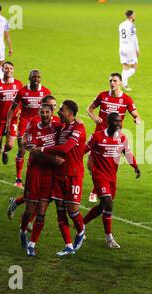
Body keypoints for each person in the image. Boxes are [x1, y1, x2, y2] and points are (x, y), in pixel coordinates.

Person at [33, 100, 86, 257]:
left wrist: (42, 149)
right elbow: (47, 122)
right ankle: (68, 246)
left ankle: (81, 230)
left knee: (72, 211)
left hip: (73, 175)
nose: (58, 112)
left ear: (69, 112)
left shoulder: (78, 128)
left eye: (61, 110)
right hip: (58, 174)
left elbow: (64, 149)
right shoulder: (63, 127)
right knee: (60, 210)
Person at [83, 112, 140, 249]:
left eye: (119, 121)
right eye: (115, 121)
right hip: (99, 175)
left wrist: (136, 167)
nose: (119, 124)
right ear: (108, 122)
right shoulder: (97, 136)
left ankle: (82, 223)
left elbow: (127, 153)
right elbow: (83, 150)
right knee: (108, 203)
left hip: (112, 177)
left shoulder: (122, 138)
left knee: (103, 206)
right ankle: (109, 238)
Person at [86, 72, 141, 202]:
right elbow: (89, 108)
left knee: (109, 166)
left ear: (120, 83)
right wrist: (94, 117)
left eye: (115, 81)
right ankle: (100, 187)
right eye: (110, 81)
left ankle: (97, 191)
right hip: (99, 135)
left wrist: (137, 120)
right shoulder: (102, 95)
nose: (112, 83)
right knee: (91, 164)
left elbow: (136, 115)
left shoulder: (126, 99)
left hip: (115, 138)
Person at [19, 103, 63, 256]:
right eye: (42, 112)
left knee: (42, 211)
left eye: (47, 112)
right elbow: (34, 152)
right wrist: (53, 159)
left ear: (52, 114)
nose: (44, 115)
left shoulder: (57, 127)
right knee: (30, 210)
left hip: (49, 174)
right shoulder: (33, 130)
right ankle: (23, 230)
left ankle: (32, 244)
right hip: (35, 172)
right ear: (39, 113)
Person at [6, 70, 51, 188]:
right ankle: (19, 178)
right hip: (25, 124)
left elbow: (51, 110)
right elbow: (12, 108)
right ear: (29, 78)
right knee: (22, 149)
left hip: (39, 125)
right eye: (34, 77)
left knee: (37, 152)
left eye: (38, 77)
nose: (36, 79)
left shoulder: (46, 92)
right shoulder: (22, 91)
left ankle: (37, 177)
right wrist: (8, 124)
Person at [119, 10, 139, 91]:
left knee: (125, 67)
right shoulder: (132, 26)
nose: (135, 16)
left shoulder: (121, 25)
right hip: (129, 48)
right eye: (134, 15)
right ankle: (120, 81)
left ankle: (125, 85)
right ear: (131, 16)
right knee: (134, 67)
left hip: (121, 47)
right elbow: (134, 38)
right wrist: (137, 49)